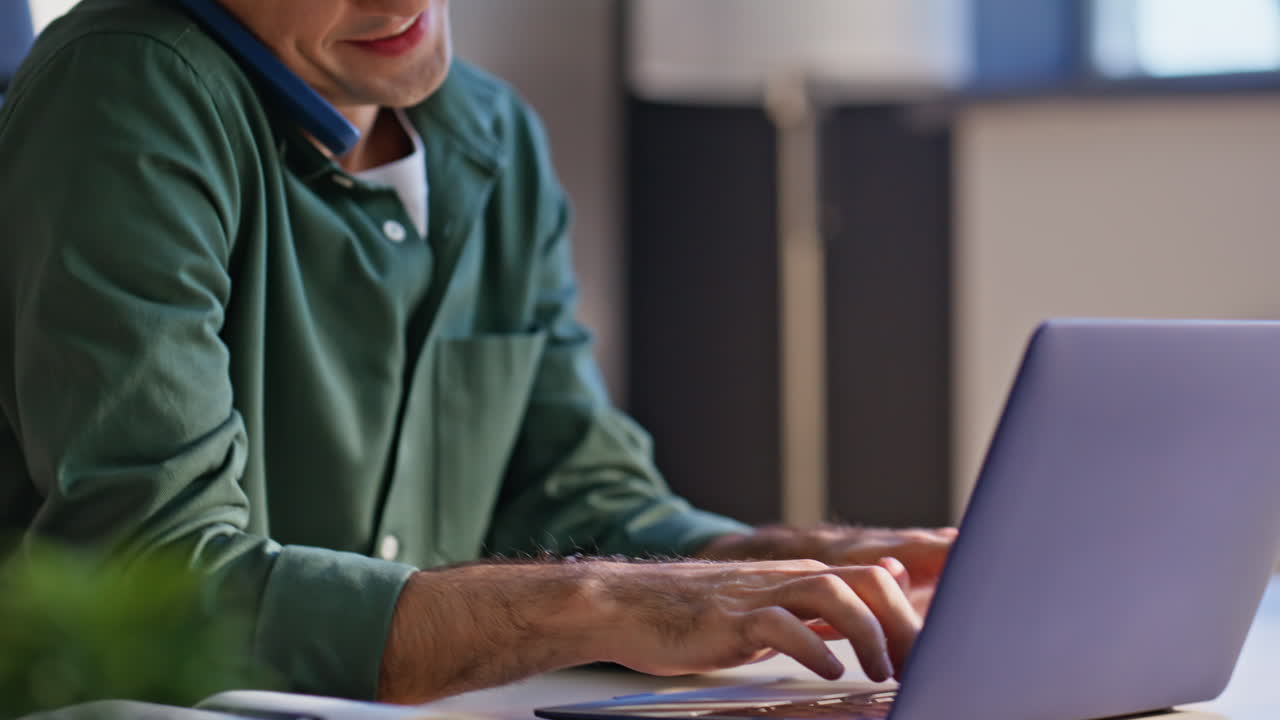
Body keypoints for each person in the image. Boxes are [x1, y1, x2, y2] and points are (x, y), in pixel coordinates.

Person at [0, 0, 956, 706]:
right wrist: (592, 602)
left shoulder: (491, 133)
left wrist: (774, 568)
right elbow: (152, 578)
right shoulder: (125, 90)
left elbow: (573, 494)